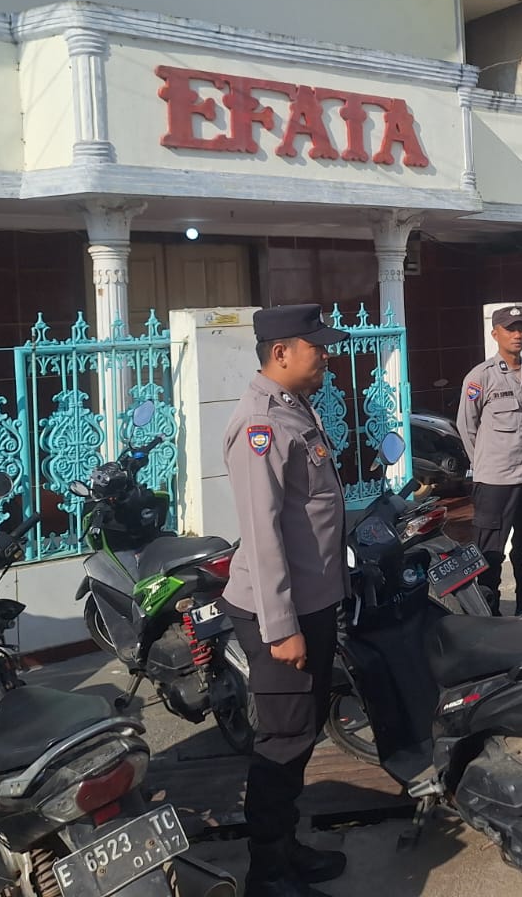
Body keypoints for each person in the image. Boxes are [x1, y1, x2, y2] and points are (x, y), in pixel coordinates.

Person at [222, 304, 351, 897]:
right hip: (282, 612)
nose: (325, 355)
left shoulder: (294, 408)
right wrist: (281, 627)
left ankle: (286, 847)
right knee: (282, 742)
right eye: (315, 346)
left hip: (310, 602)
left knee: (301, 733)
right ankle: (267, 875)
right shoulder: (261, 424)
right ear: (280, 353)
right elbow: (263, 532)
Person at [456, 305, 522, 614]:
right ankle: (489, 617)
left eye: (521, 328)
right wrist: (484, 463)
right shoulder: (480, 377)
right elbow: (466, 426)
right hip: (495, 482)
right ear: (495, 334)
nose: (517, 334)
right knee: (490, 555)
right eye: (510, 329)